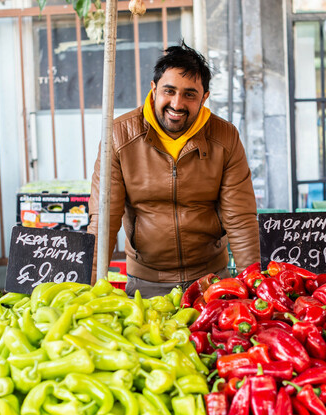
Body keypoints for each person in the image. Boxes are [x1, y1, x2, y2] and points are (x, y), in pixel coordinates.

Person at [88, 41, 260, 297]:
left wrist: (255, 286)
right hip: (146, 281)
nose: (177, 104)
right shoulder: (118, 136)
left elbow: (241, 219)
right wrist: (85, 289)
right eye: (169, 91)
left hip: (211, 279)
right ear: (154, 89)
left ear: (204, 97)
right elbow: (104, 221)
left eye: (189, 94)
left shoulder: (225, 137)